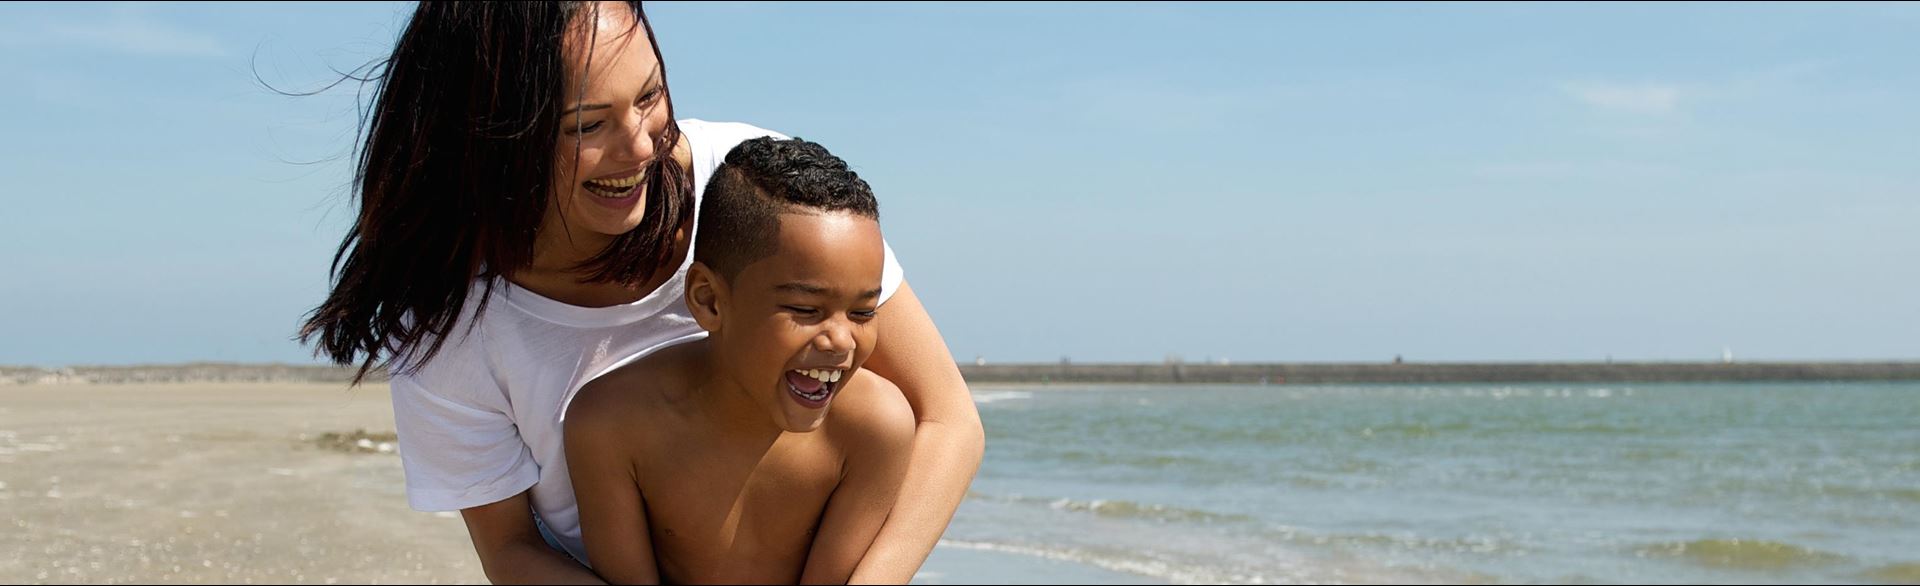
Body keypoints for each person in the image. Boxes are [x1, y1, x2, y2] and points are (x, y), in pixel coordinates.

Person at [296, 2, 982, 583]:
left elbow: (947, 419)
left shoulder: (757, 198)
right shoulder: (451, 322)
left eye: (649, 96)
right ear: (490, 135)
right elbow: (511, 551)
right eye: (587, 125)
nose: (640, 147)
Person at [567, 136, 914, 584]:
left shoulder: (874, 427)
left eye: (864, 312)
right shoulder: (609, 424)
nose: (841, 341)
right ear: (709, 300)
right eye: (806, 310)